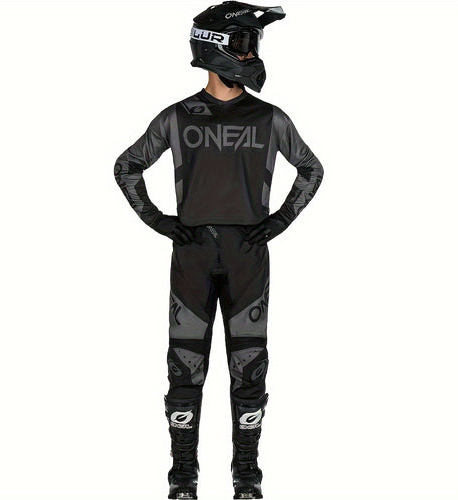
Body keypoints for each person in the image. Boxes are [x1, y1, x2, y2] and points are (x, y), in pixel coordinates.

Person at [114, 1, 324, 498]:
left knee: (249, 369)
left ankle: (246, 476)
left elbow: (312, 169)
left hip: (247, 256)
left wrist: (279, 221)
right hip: (193, 257)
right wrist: (158, 221)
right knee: (184, 369)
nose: (252, 54)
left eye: (254, 44)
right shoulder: (177, 116)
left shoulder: (270, 118)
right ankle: (182, 476)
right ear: (215, 47)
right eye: (245, 43)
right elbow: (126, 166)